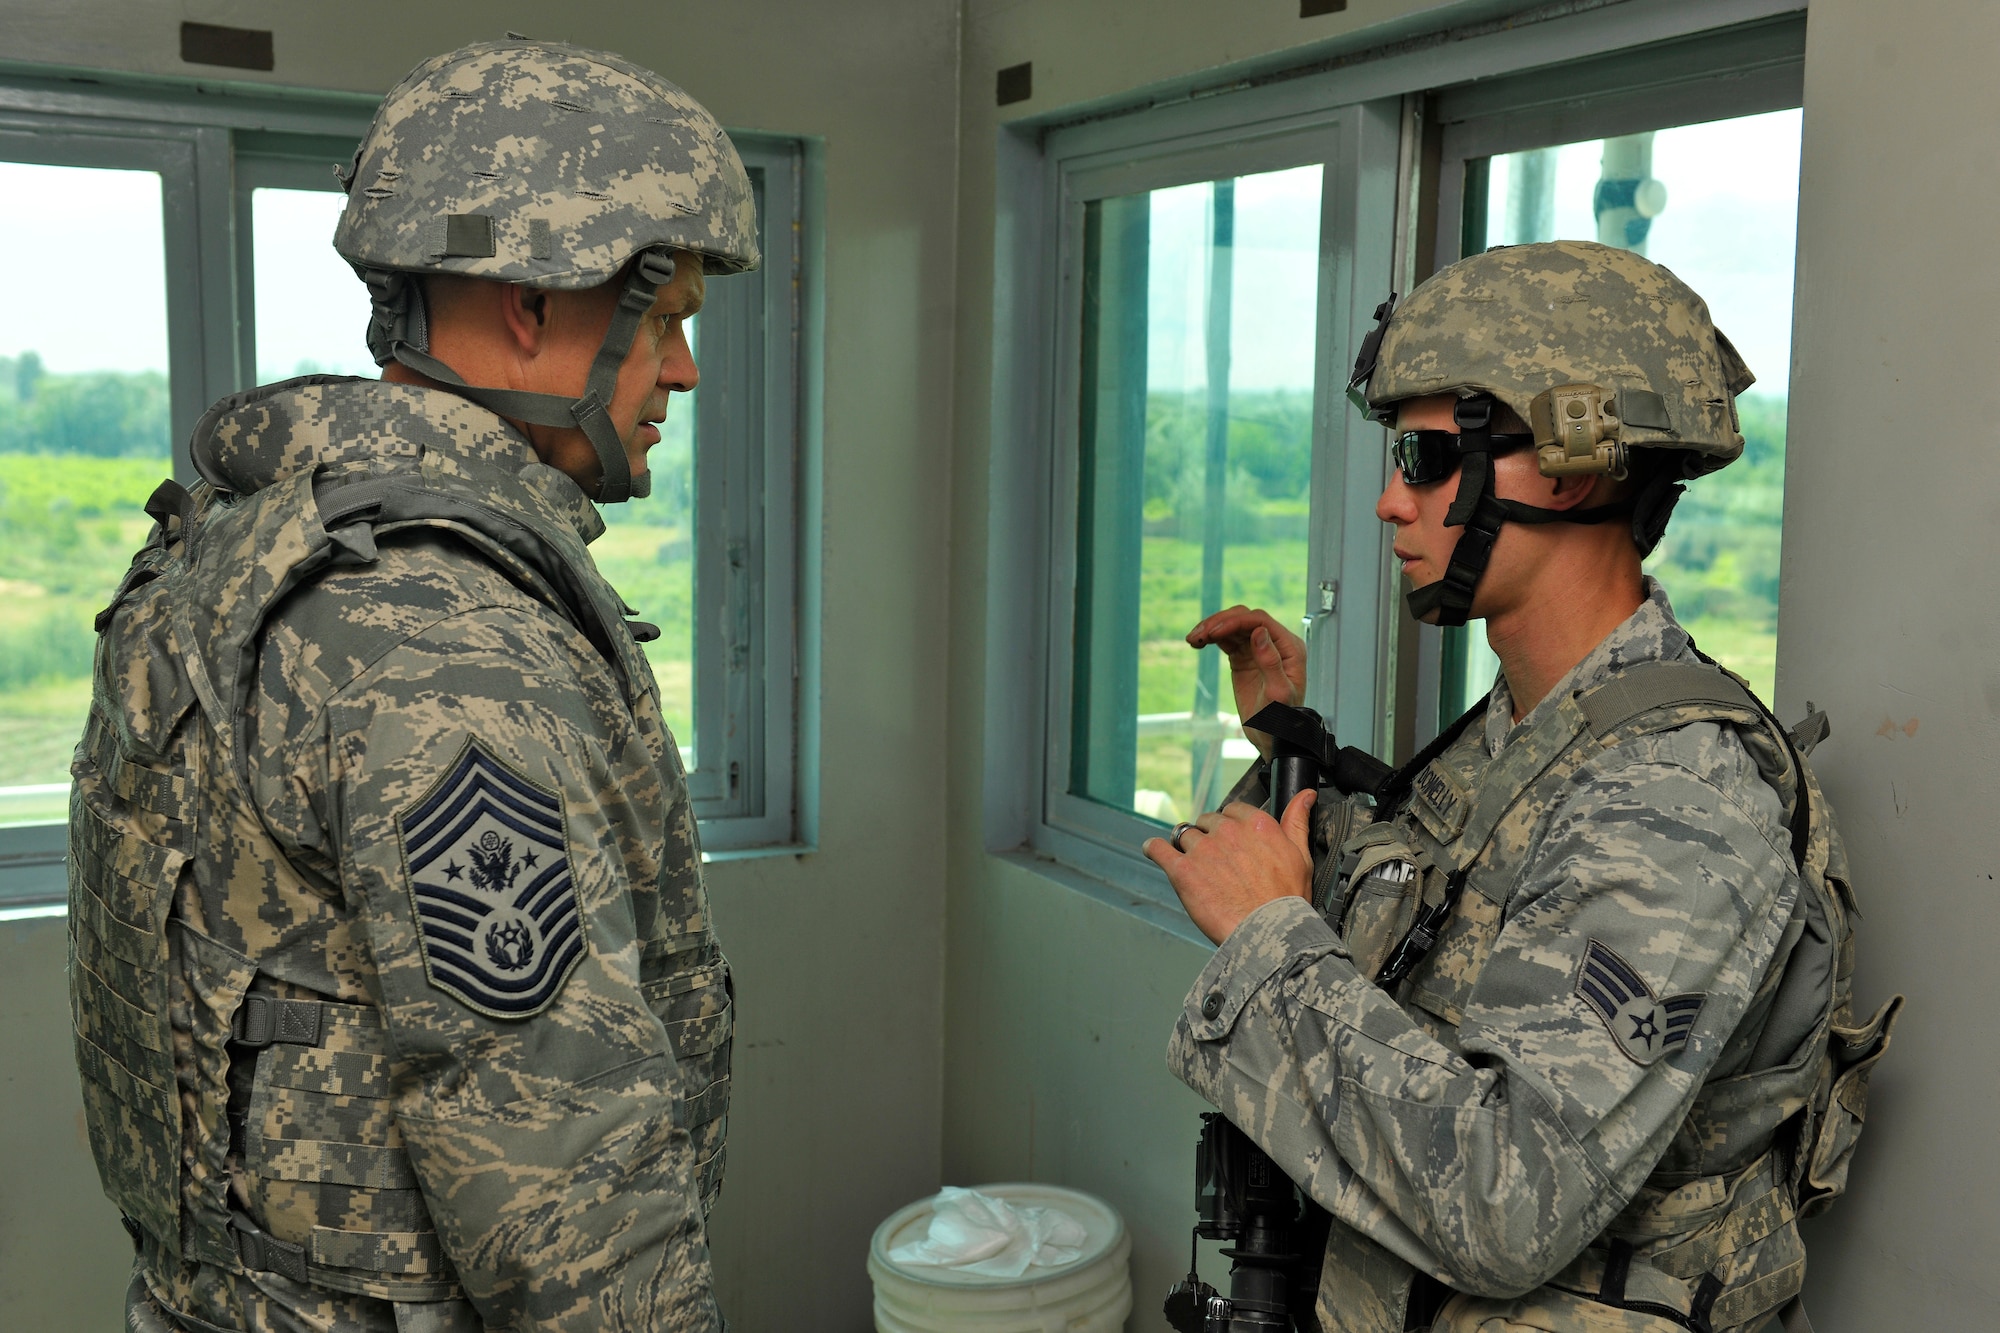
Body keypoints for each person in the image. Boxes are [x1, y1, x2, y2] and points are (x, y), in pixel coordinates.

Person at [68, 38, 755, 1332]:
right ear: (535, 307)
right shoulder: (445, 647)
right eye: (664, 319)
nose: (683, 371)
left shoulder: (238, 544)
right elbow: (567, 1189)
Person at [1145, 241, 1899, 1333]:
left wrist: (1264, 937)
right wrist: (1287, 743)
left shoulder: (1676, 803)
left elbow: (1508, 1206)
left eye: (1424, 456)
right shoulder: (1524, 734)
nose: (1388, 503)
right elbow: (1394, 920)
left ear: (1574, 465)